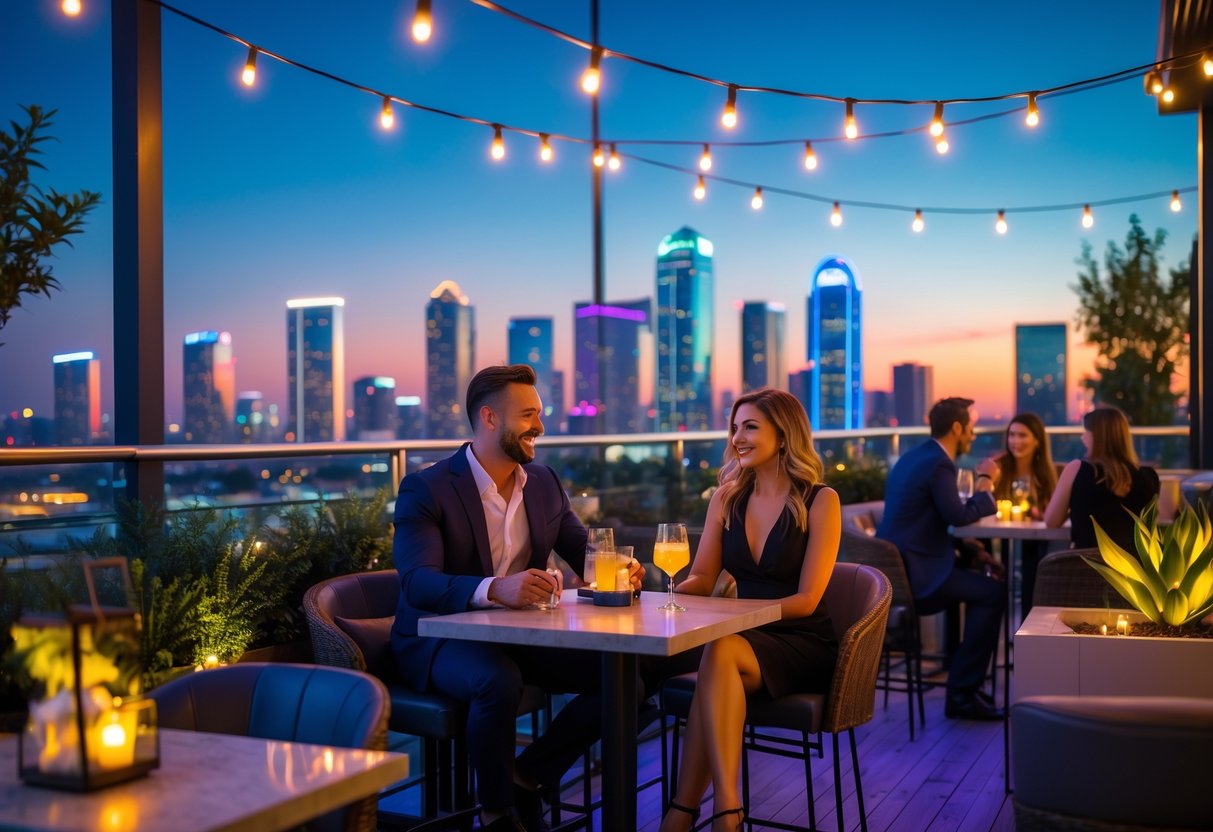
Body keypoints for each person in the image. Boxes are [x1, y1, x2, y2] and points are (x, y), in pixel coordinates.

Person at [390, 363, 645, 832]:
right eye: (528, 415)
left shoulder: (543, 482)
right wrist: (494, 590)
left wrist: (618, 570)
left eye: (540, 414)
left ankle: (528, 776)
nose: (540, 427)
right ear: (490, 419)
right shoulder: (427, 487)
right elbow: (417, 583)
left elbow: (585, 554)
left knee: (626, 677)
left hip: (520, 636)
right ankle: (495, 813)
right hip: (439, 639)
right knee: (497, 681)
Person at [659, 388, 840, 832]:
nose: (737, 437)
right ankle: (726, 810)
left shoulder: (821, 501)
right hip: (742, 640)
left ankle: (690, 810)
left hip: (801, 639)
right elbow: (704, 575)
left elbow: (807, 600)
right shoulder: (726, 497)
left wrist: (736, 617)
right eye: (735, 427)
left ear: (784, 435)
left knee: (718, 653)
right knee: (719, 656)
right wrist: (672, 588)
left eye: (751, 427)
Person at [876, 397, 1005, 721]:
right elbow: (959, 515)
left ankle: (965, 687)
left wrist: (973, 552)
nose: (973, 436)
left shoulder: (913, 457)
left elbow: (929, 522)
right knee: (992, 593)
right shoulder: (939, 463)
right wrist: (987, 482)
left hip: (903, 570)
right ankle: (961, 693)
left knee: (980, 582)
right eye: (971, 428)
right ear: (958, 427)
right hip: (919, 577)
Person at [1044, 406, 1160, 552]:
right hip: (1132, 571)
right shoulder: (1148, 478)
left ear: (1098, 437)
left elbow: (1051, 521)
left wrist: (1075, 503)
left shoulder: (1077, 469)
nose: (1082, 437)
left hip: (1086, 569)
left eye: (1086, 432)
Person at [991, 412, 1058, 613]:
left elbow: (1051, 513)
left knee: (1034, 565)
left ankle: (1027, 625)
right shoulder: (998, 468)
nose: (1015, 441)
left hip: (1035, 543)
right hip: (998, 541)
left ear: (1037, 441)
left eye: (1022, 435)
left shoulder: (1046, 473)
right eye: (1012, 435)